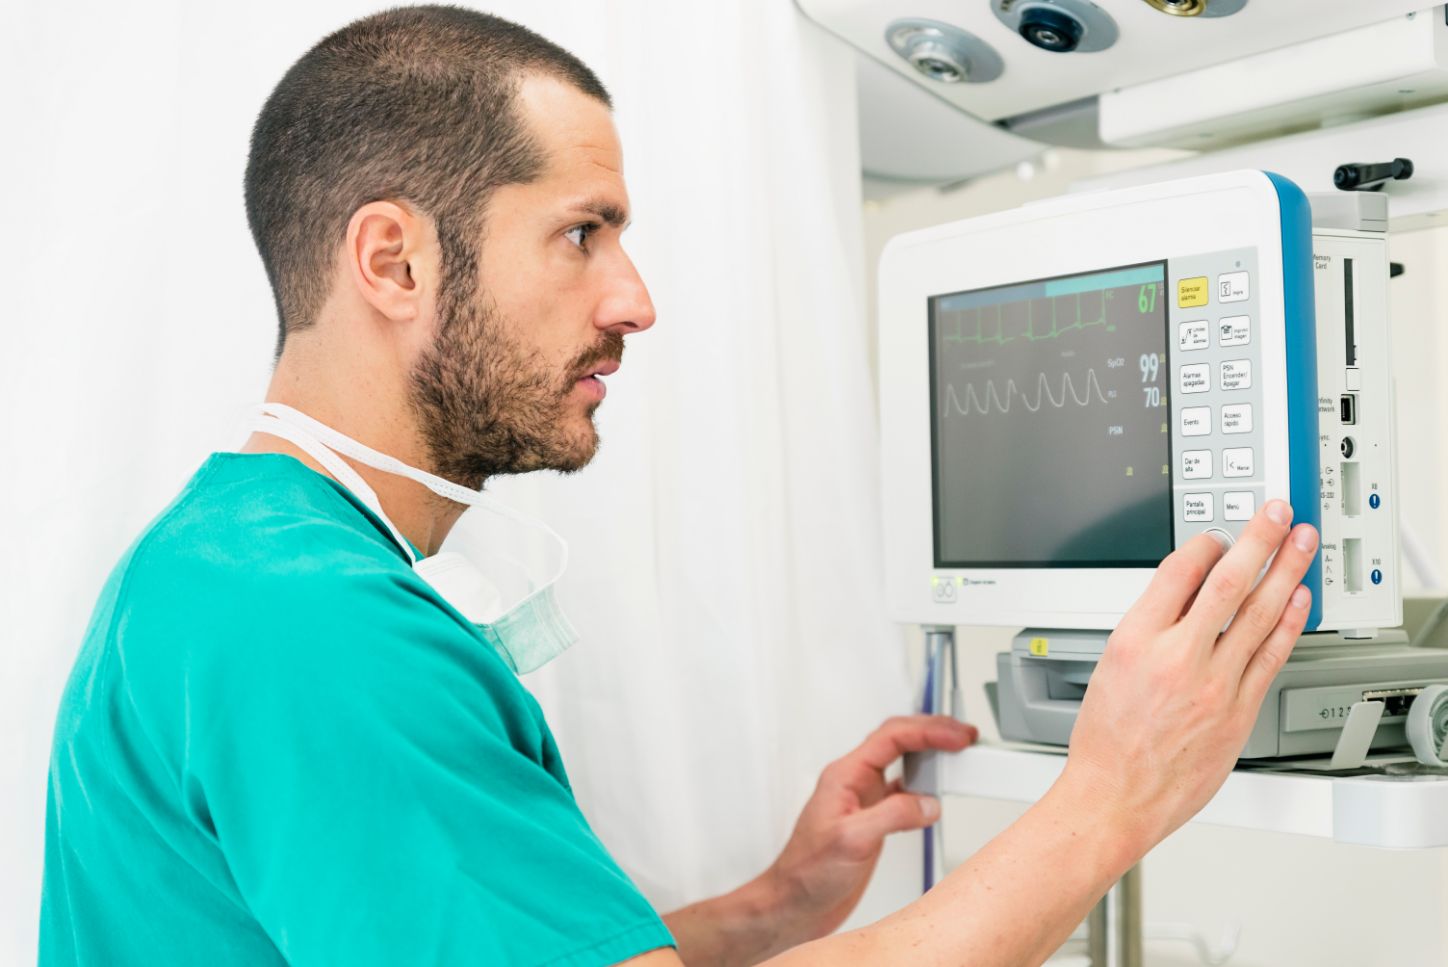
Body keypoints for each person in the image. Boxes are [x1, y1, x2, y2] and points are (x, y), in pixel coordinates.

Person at [39, 7, 1320, 966]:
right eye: (581, 232)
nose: (634, 300)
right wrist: (1108, 799)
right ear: (393, 260)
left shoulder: (231, 563)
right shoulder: (311, 625)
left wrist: (773, 904)